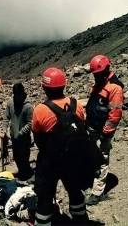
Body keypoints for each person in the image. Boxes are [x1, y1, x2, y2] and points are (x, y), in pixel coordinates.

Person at [32, 67, 90, 225]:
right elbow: (81, 128)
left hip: (49, 161)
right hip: (73, 158)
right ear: (64, 86)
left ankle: (43, 222)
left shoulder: (40, 110)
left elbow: (37, 137)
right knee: (75, 191)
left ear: (44, 87)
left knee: (45, 196)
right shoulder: (76, 105)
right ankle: (81, 220)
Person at [86, 55, 124, 205]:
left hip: (103, 131)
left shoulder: (114, 87)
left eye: (98, 73)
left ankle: (97, 192)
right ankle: (90, 179)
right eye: (95, 74)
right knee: (91, 155)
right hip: (92, 127)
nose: (96, 76)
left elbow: (115, 114)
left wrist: (106, 133)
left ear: (106, 70)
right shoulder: (100, 83)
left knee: (102, 158)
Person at [2, 83, 34, 181]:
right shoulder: (10, 103)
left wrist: (21, 133)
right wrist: (3, 130)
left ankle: (27, 175)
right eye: (15, 95)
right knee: (16, 156)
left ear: (23, 93)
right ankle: (23, 173)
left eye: (19, 95)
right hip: (13, 136)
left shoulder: (28, 106)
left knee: (24, 157)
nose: (17, 97)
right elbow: (6, 118)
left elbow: (30, 123)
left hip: (23, 138)